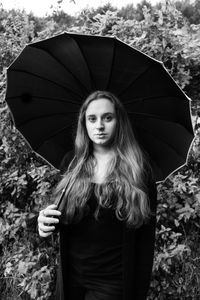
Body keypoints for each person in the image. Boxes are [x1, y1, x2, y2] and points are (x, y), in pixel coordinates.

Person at [37, 90, 157, 300]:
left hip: (112, 284)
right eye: (92, 119)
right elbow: (65, 218)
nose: (99, 126)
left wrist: (138, 293)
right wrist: (45, 222)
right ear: (84, 123)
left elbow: (145, 243)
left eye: (107, 118)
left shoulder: (139, 170)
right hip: (70, 278)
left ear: (119, 121)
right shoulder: (72, 163)